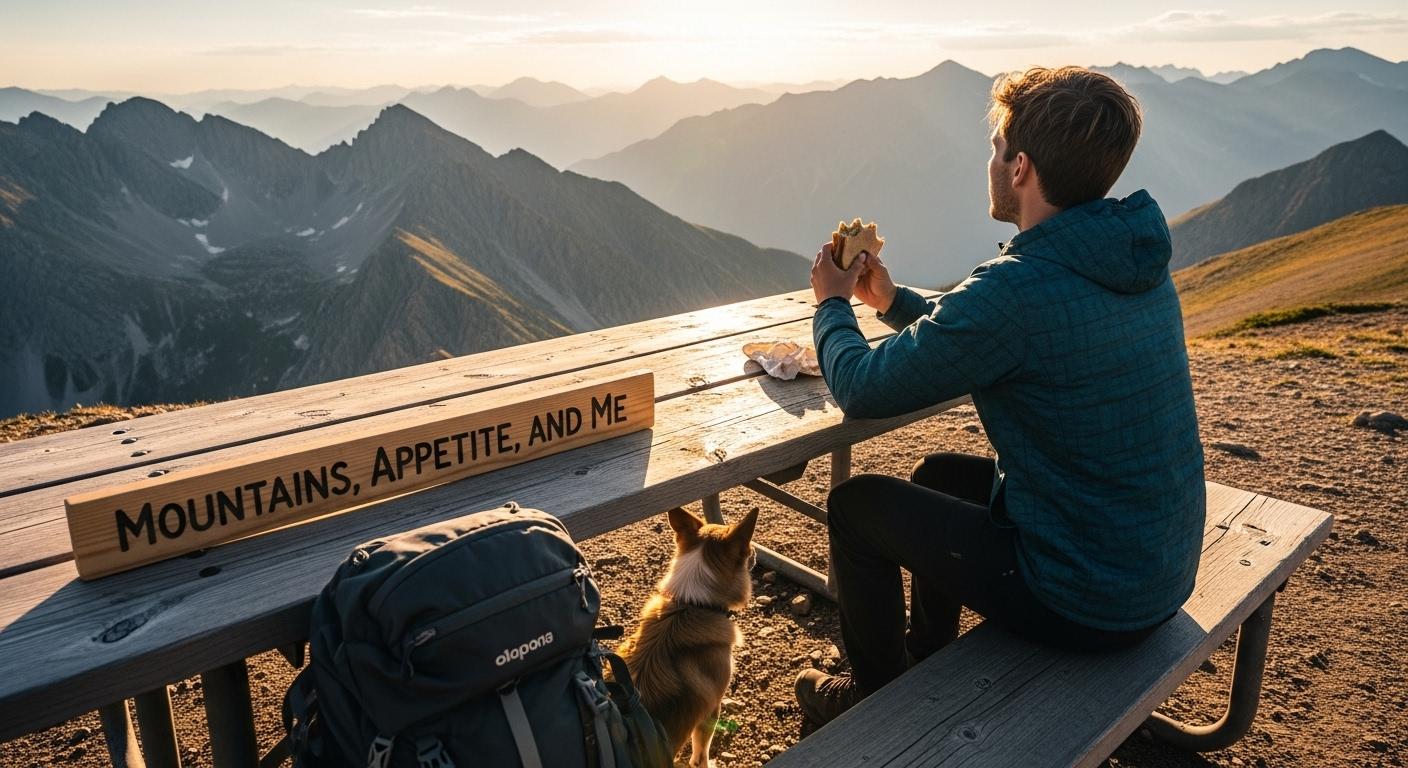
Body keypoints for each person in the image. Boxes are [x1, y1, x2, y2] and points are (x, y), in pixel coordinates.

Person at [795, 65, 1206, 727]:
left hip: (1085, 599)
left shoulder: (1017, 288)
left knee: (854, 506)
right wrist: (895, 302)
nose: (989, 161)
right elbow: (998, 331)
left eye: (996, 149)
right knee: (937, 476)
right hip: (1149, 565)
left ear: (1021, 169)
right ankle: (923, 652)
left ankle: (870, 703)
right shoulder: (1129, 260)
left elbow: (863, 388)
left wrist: (833, 306)